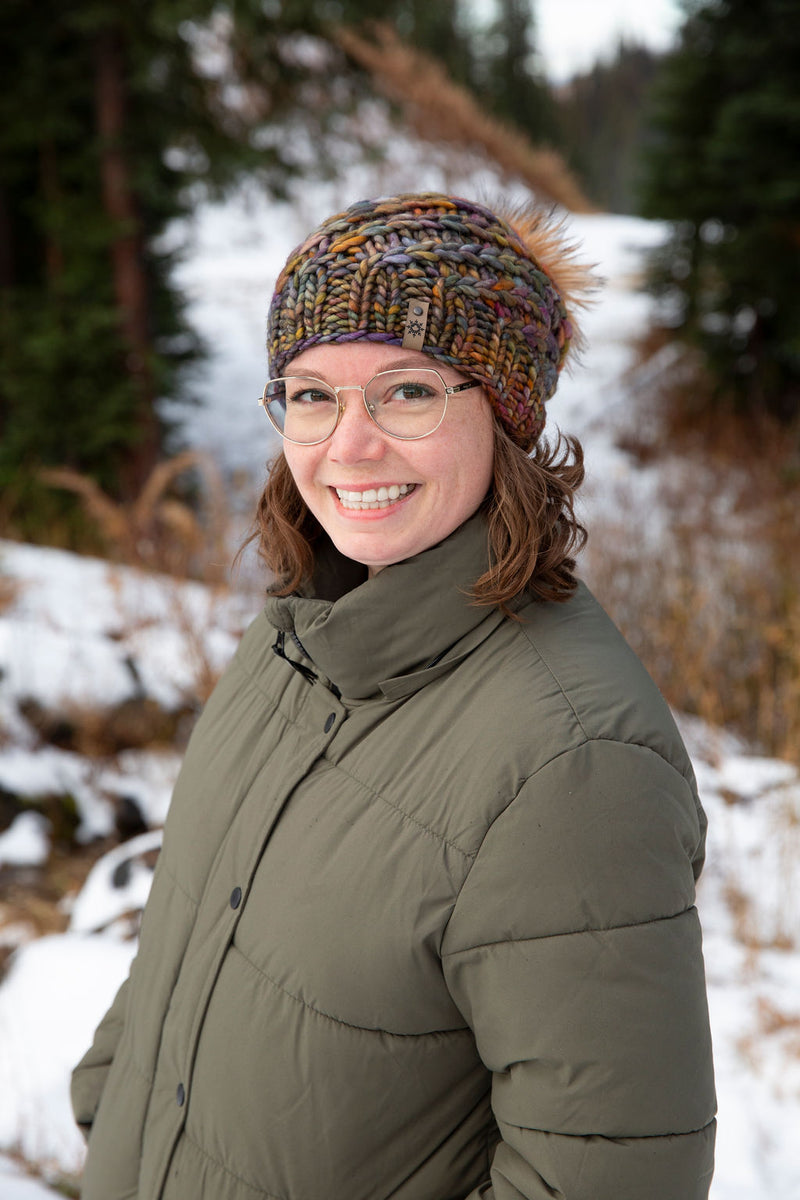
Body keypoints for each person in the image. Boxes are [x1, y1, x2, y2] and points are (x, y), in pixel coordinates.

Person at [71, 193, 716, 1200]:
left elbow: (608, 1175)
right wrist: (113, 1099)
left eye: (406, 392)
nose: (347, 445)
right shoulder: (296, 629)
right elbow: (198, 908)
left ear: (504, 413)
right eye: (311, 393)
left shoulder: (572, 762)